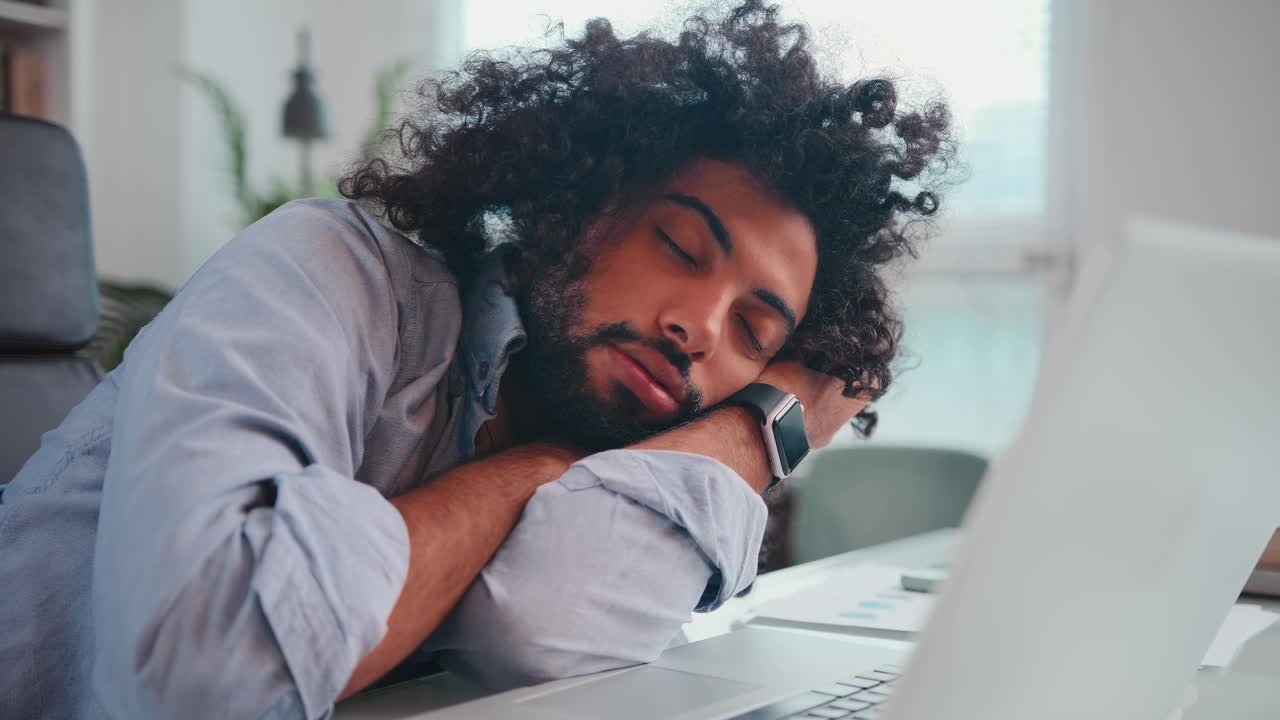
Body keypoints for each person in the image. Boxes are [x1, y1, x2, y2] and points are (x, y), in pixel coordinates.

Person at [0, 3, 958, 718]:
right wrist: (535, 470)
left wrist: (766, 417)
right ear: (571, 206)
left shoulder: (627, 431)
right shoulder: (327, 272)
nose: (699, 329)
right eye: (678, 244)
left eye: (756, 331)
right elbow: (209, 674)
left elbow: (548, 624)